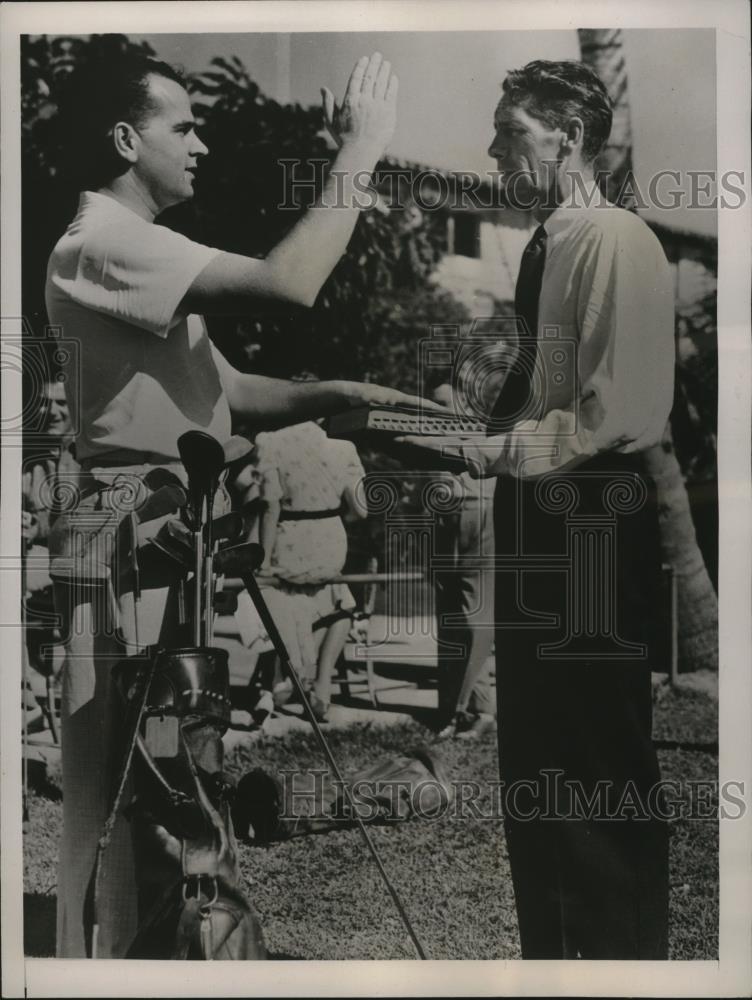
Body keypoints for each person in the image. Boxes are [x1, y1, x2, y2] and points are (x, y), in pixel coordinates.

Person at [44, 50, 432, 958]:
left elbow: (227, 392)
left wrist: (346, 390)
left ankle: (177, 949)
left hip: (165, 531)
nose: (201, 142)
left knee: (180, 767)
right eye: (184, 126)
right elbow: (289, 284)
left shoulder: (143, 253)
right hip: (125, 535)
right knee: (126, 787)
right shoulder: (101, 239)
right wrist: (359, 151)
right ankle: (107, 963)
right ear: (124, 140)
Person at [398, 60, 674, 959]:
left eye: (510, 130)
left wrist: (497, 447)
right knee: (539, 760)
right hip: (542, 510)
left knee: (594, 760)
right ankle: (555, 963)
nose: (492, 148)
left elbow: (619, 409)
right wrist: (469, 430)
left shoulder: (614, 241)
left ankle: (622, 967)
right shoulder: (552, 243)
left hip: (590, 519)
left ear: (569, 137)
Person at [232, 415, 368, 723]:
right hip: (331, 541)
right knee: (339, 599)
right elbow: (362, 509)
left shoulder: (270, 441)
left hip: (291, 539)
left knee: (275, 596)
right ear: (321, 415)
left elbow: (270, 505)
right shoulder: (344, 447)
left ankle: (286, 678)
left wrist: (263, 558)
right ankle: (321, 684)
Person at [428, 384, 497, 741]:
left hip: (476, 516)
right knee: (453, 621)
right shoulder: (434, 434)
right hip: (448, 520)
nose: (437, 410)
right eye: (434, 404)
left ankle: (457, 712)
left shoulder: (481, 431)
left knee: (474, 620)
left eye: (443, 404)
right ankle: (479, 710)